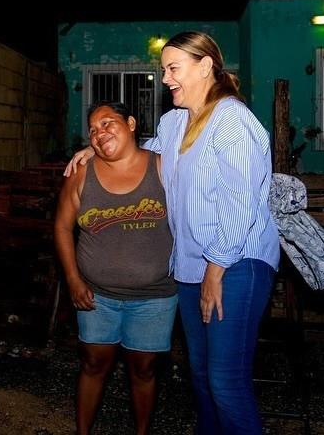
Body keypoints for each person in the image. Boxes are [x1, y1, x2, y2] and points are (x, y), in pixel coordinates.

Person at [67, 31, 280, 434]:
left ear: (205, 67)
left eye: (173, 68)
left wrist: (215, 270)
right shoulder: (175, 120)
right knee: (200, 376)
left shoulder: (232, 120)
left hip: (236, 262)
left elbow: (241, 201)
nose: (165, 78)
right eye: (164, 69)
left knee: (226, 380)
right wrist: (99, 148)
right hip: (191, 265)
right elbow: (146, 154)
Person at [55, 101, 177, 435]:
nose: (99, 134)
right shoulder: (82, 173)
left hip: (155, 297)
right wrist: (72, 279)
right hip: (97, 296)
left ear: (132, 123)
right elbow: (62, 226)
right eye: (93, 130)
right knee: (94, 364)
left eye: (108, 123)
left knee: (144, 370)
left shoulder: (165, 168)